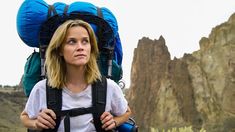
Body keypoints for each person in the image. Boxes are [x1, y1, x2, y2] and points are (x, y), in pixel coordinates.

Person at [20, 19, 131, 131]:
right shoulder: (42, 88)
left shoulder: (109, 87)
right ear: (59, 50)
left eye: (85, 41)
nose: (80, 47)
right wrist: (36, 123)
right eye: (72, 42)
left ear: (91, 48)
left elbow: (126, 112)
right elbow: (25, 117)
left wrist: (114, 121)